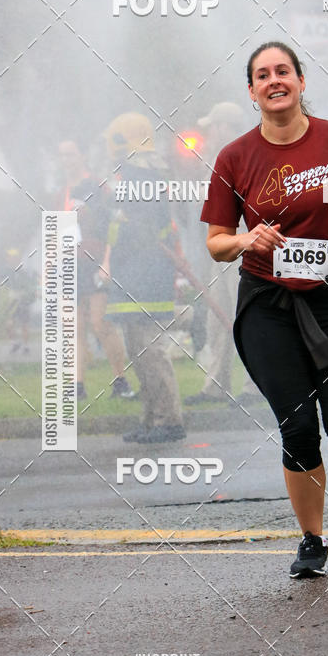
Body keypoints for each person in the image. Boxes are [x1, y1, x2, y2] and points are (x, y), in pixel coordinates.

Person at [200, 42, 328, 579]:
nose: (273, 81)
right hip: (268, 305)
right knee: (298, 427)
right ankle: (313, 540)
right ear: (251, 91)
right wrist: (247, 241)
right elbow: (217, 241)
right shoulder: (234, 158)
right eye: (262, 75)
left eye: (282, 71)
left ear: (301, 81)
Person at [102, 113, 185, 444]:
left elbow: (139, 230)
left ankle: (169, 420)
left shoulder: (142, 178)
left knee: (151, 353)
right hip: (133, 278)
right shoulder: (132, 177)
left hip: (146, 279)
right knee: (139, 353)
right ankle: (152, 419)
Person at [185, 101, 259, 406]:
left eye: (213, 127)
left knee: (250, 318)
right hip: (223, 248)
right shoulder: (217, 159)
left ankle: (255, 388)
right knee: (219, 320)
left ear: (224, 126)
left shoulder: (249, 156)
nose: (209, 133)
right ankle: (216, 384)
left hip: (244, 250)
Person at [57, 140, 134, 401]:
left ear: (81, 155)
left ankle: (120, 380)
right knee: (74, 326)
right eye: (62, 156)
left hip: (93, 258)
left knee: (100, 322)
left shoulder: (95, 186)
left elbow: (111, 222)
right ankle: (77, 384)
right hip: (69, 261)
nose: (66, 160)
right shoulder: (62, 191)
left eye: (70, 154)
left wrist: (107, 260)